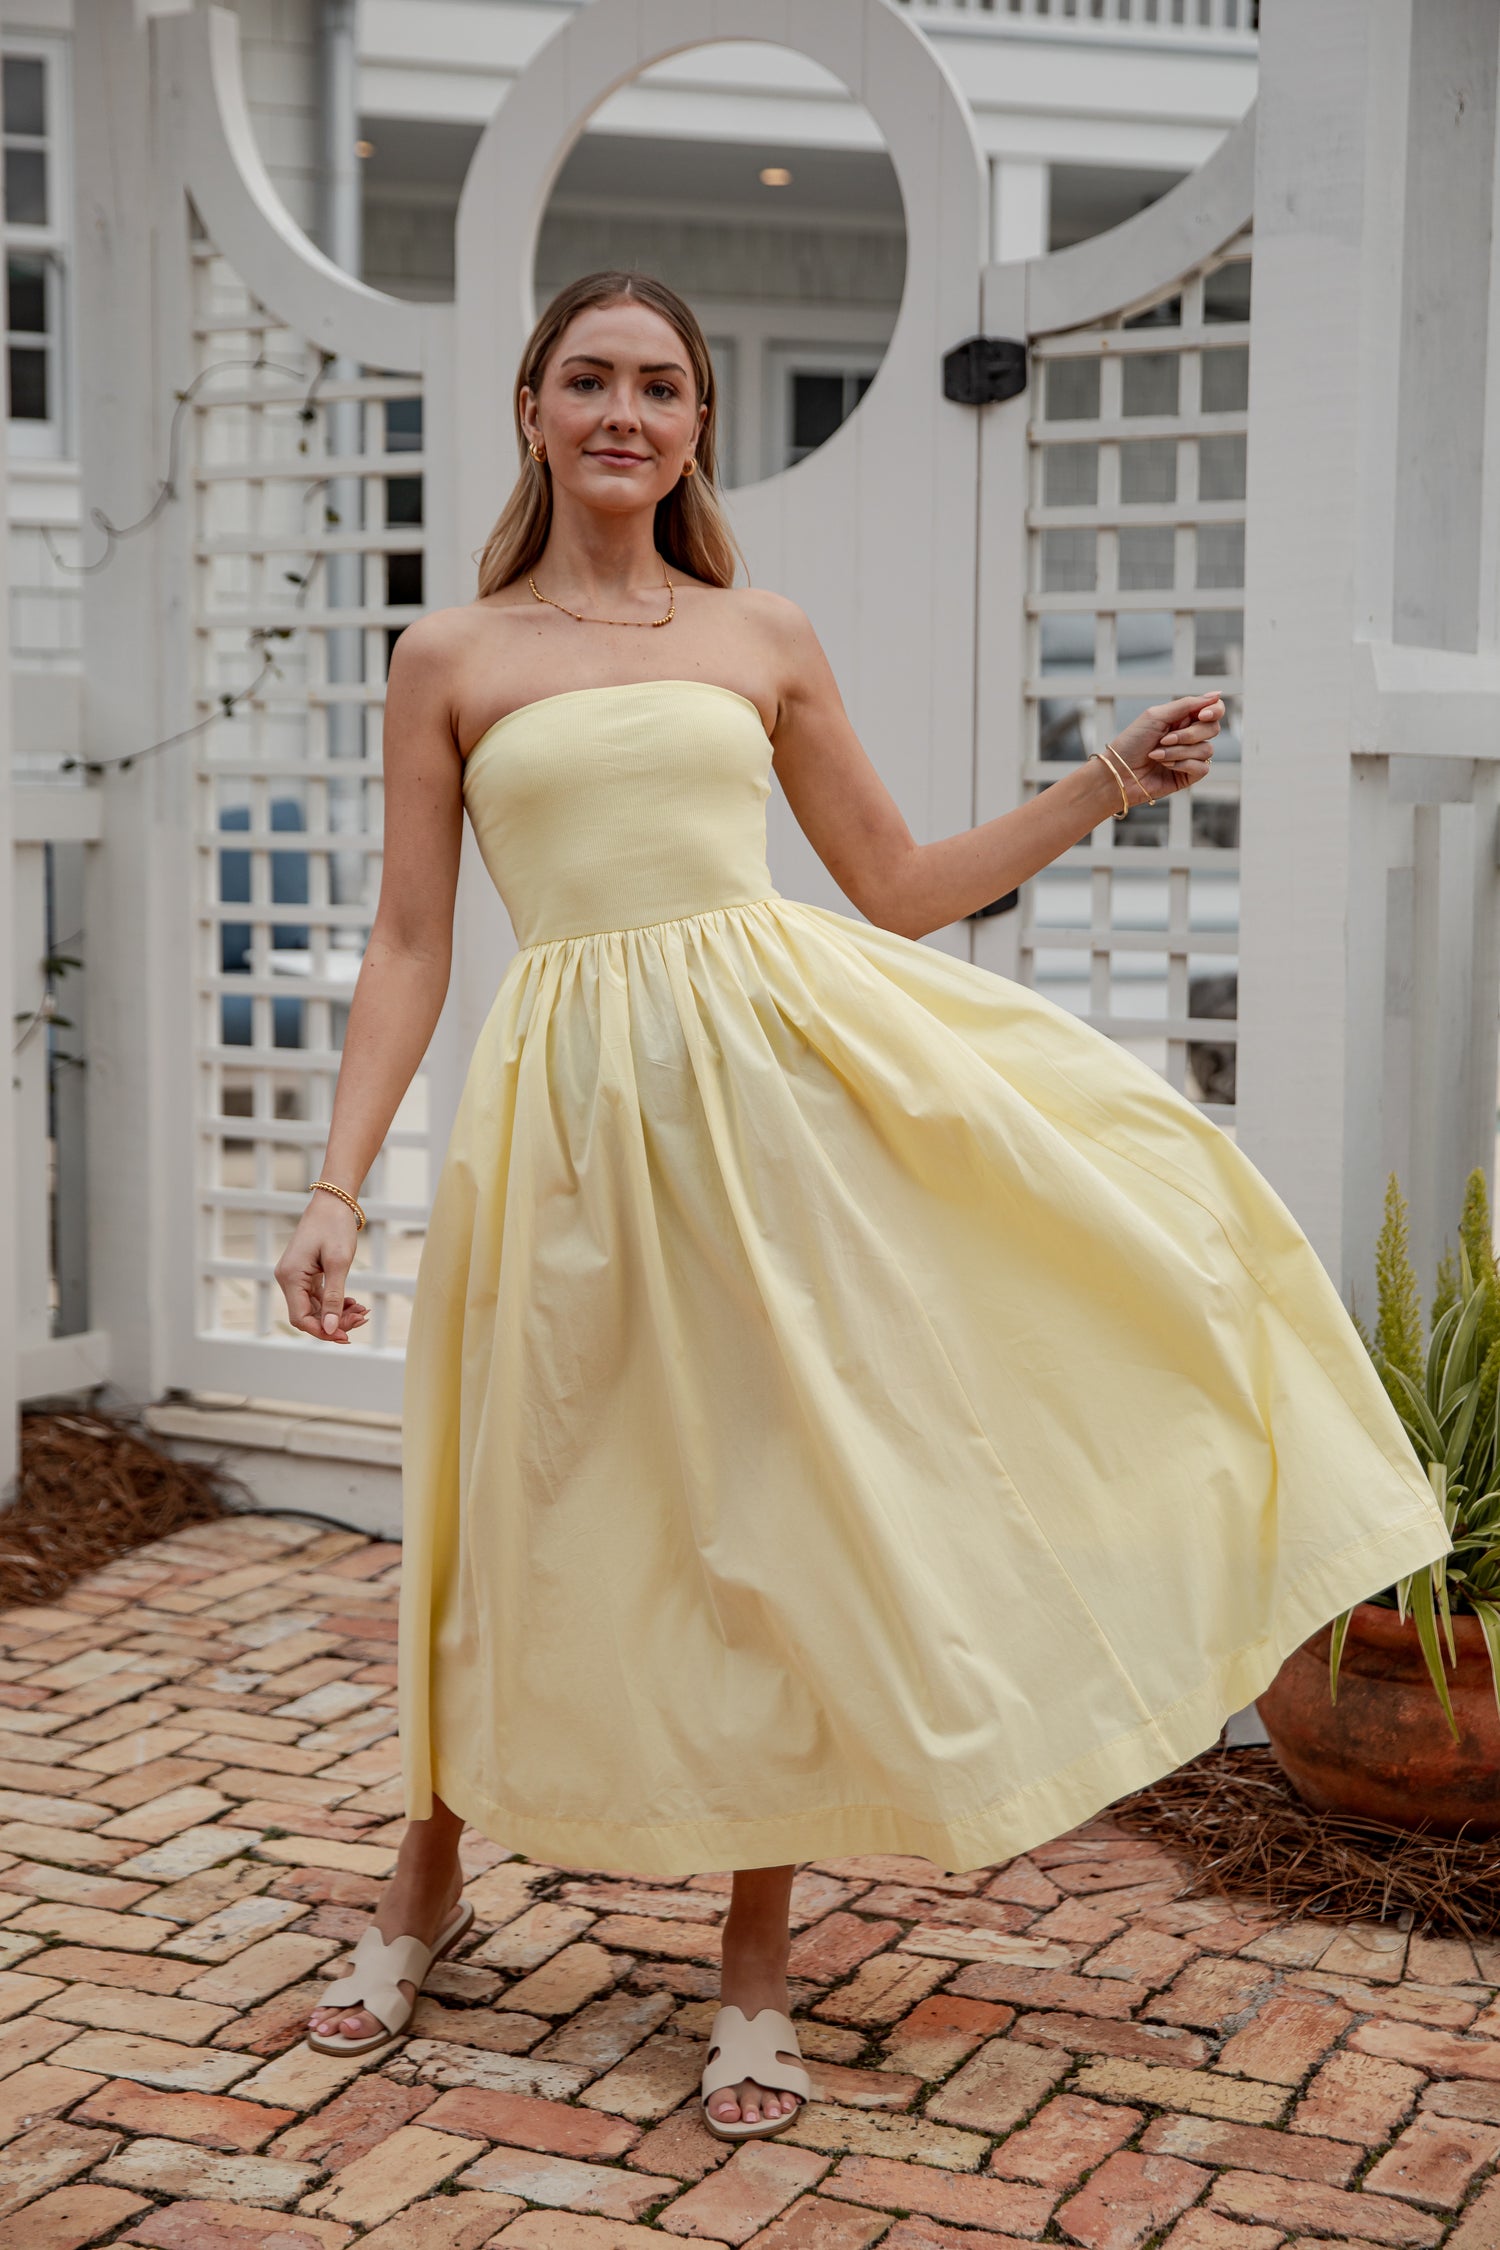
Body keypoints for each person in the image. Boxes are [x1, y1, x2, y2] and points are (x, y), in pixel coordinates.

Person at [274, 270, 1451, 2140]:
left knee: (776, 1518)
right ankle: (424, 1870)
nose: (623, 413)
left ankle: (754, 1969)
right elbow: (413, 939)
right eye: (588, 379)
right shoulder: (453, 657)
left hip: (768, 1115)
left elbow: (893, 886)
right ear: (529, 408)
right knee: (505, 1511)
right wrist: (337, 1179)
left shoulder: (764, 630)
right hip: (564, 1128)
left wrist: (1104, 786)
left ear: (693, 424)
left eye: (660, 384)